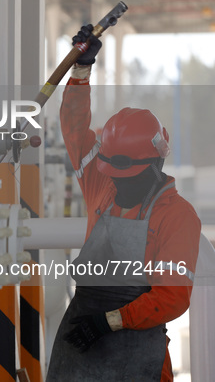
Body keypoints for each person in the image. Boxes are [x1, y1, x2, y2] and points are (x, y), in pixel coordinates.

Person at [46, 25, 201, 382]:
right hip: (81, 340)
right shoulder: (101, 183)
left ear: (156, 164)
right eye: (113, 174)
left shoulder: (177, 217)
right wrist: (81, 70)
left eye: (128, 176)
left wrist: (110, 322)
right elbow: (74, 128)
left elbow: (173, 297)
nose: (119, 183)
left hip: (138, 353)